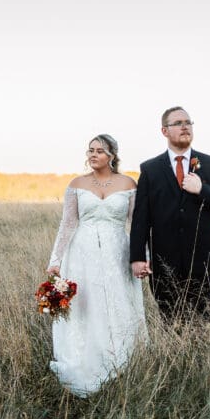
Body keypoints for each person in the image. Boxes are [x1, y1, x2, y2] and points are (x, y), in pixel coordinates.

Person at [46, 134, 146, 397]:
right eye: (90, 150)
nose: (93, 155)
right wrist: (55, 261)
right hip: (82, 252)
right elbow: (67, 224)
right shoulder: (77, 184)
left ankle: (120, 358)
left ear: (112, 155)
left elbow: (137, 225)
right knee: (86, 304)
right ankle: (84, 357)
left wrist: (142, 256)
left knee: (118, 301)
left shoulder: (128, 183)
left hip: (117, 251)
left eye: (100, 151)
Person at [129, 107, 210, 323]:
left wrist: (202, 190)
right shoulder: (150, 169)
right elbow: (141, 218)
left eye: (188, 122)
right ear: (164, 131)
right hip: (163, 262)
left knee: (200, 322)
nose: (185, 126)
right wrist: (138, 257)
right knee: (169, 322)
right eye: (178, 123)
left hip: (202, 260)